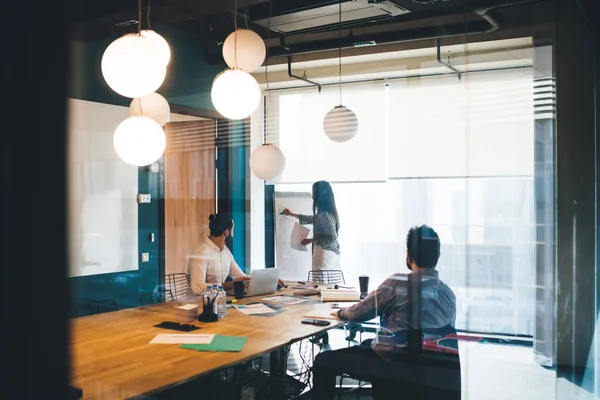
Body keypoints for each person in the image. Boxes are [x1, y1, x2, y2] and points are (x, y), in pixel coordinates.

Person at [310, 225, 457, 400]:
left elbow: (358, 313)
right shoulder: (448, 295)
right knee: (367, 342)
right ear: (437, 256)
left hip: (391, 366)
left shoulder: (399, 284)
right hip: (428, 373)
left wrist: (341, 313)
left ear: (409, 256)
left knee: (322, 361)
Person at [188, 213, 284, 296]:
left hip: (219, 301)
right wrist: (231, 284)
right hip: (201, 304)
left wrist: (269, 280)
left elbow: (240, 276)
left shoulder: (225, 251)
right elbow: (197, 288)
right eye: (233, 229)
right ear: (227, 232)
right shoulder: (201, 252)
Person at [283, 180, 341, 271]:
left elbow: (331, 238)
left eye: (313, 193)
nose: (312, 196)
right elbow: (312, 219)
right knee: (324, 284)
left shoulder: (324, 215)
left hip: (324, 255)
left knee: (318, 284)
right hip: (329, 256)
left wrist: (310, 240)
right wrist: (291, 214)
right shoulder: (327, 213)